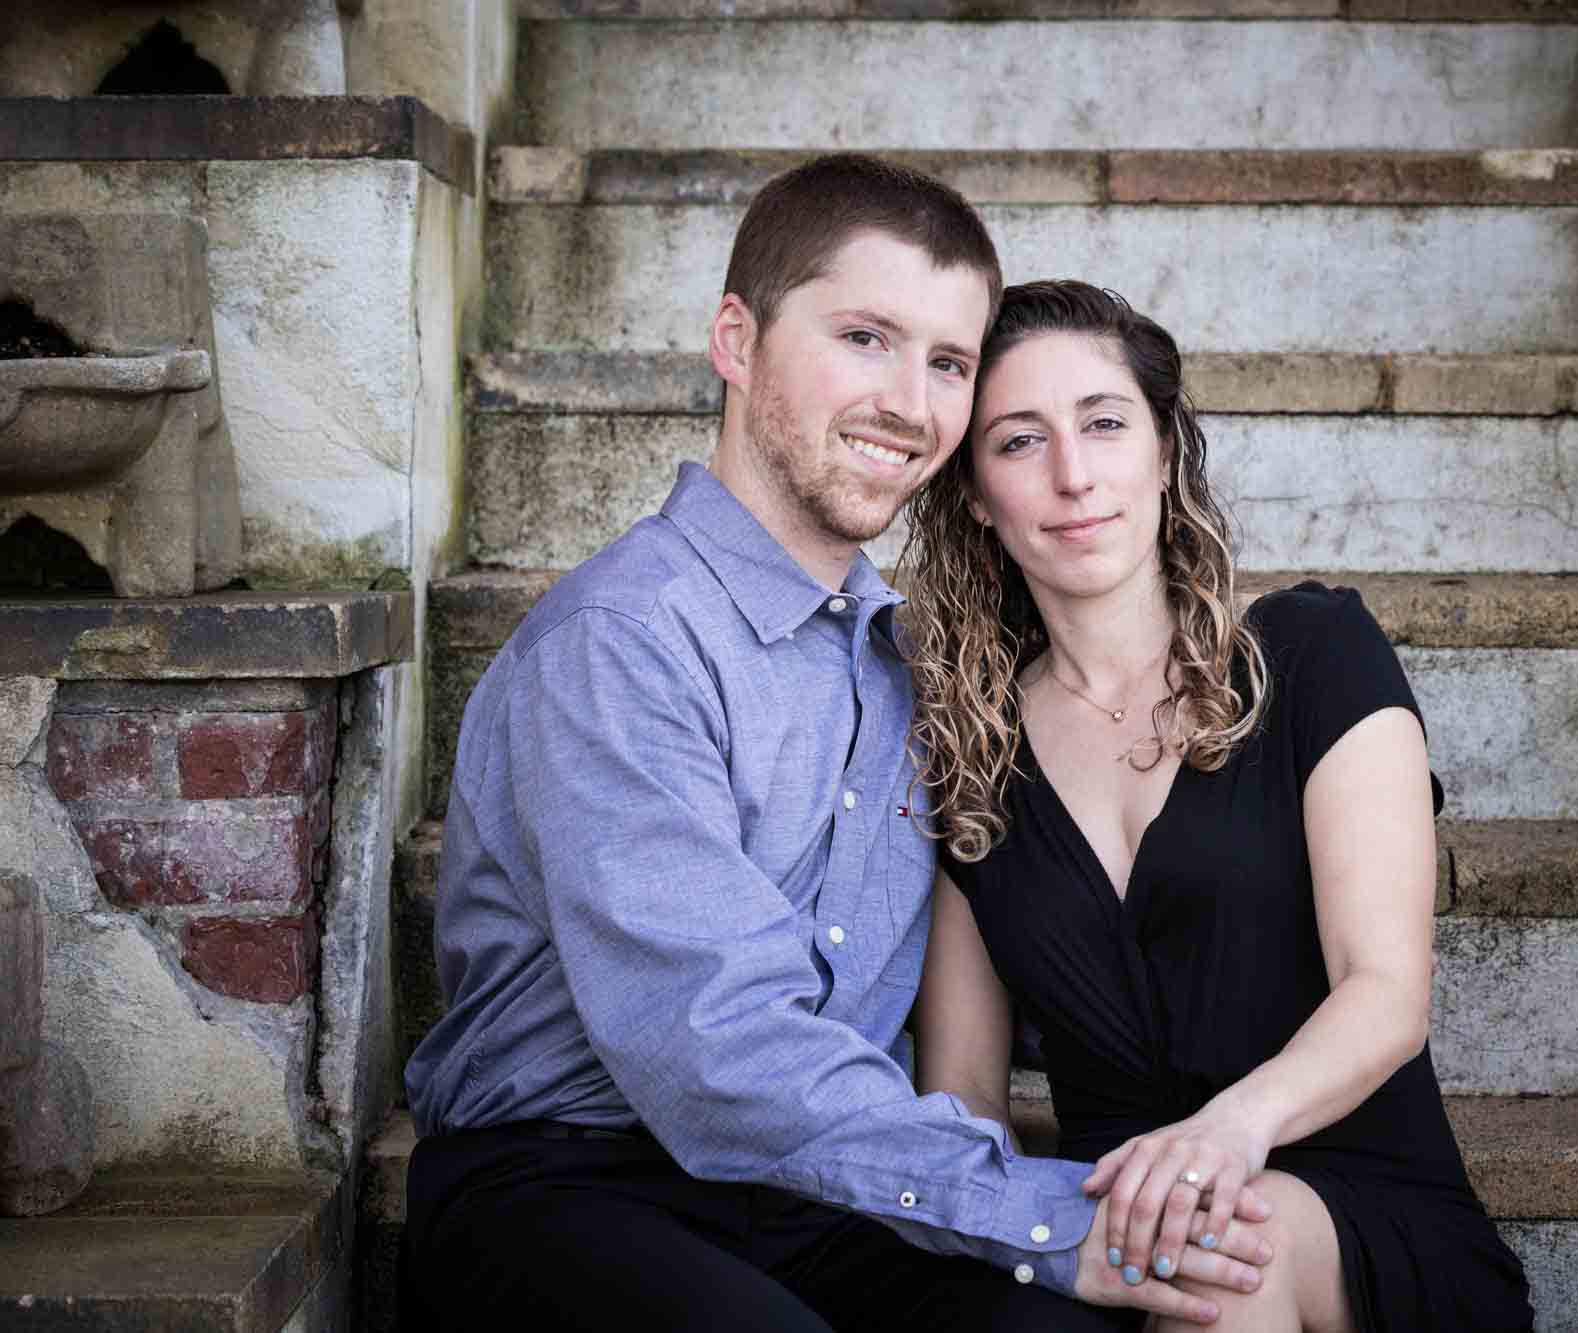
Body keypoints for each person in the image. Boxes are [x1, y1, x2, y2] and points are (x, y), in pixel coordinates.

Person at [397, 157, 1272, 1332]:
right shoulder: (621, 644)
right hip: (569, 1181)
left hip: (822, 1197)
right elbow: (715, 1047)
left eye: (949, 363)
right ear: (734, 339)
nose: (911, 404)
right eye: (865, 337)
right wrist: (1045, 1217)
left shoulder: (921, 669)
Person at [897, 280, 1536, 1332]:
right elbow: (963, 1096)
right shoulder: (969, 755)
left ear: (1159, 451)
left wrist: (1227, 1132)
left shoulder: (1313, 655)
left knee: (1229, 1254)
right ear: (972, 491)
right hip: (1112, 1232)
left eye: (1103, 424)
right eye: (1017, 442)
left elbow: (1385, 994)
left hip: (1355, 1217)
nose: (1071, 475)